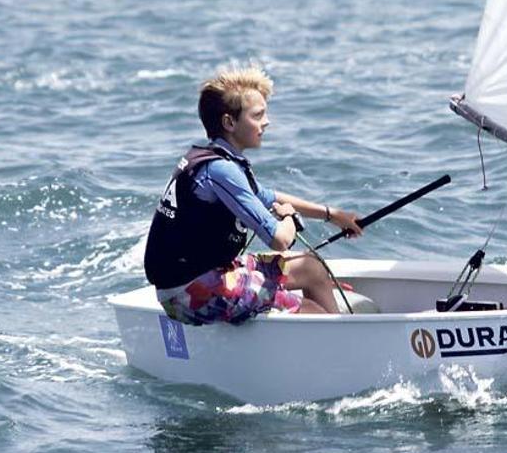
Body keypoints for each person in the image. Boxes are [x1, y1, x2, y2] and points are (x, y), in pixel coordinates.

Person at [143, 65, 362, 324]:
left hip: (212, 274)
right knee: (312, 311)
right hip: (189, 294)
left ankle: (338, 337)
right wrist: (290, 217)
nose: (266, 122)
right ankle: (336, 347)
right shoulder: (220, 170)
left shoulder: (221, 160)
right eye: (258, 115)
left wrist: (332, 215)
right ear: (230, 122)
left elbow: (269, 196)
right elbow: (279, 239)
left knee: (311, 267)